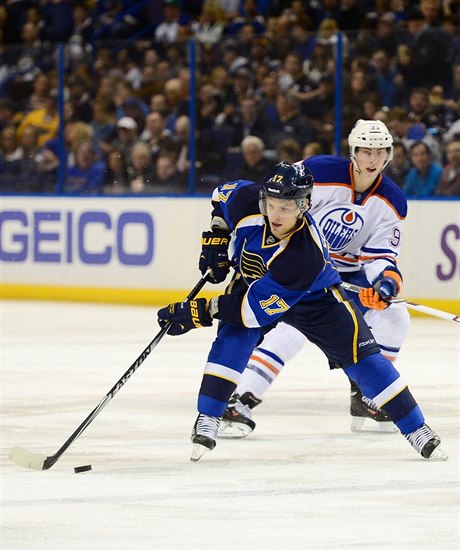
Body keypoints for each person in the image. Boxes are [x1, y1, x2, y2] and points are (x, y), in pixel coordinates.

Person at [156, 159, 446, 463]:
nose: (275, 214)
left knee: (363, 358)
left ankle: (417, 429)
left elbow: (251, 312)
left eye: (286, 207)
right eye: (271, 203)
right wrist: (217, 236)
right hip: (256, 284)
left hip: (316, 300)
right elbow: (222, 196)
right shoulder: (248, 199)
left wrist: (199, 312)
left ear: (305, 204)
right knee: (232, 338)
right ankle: (209, 416)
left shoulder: (305, 254)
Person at [214, 120, 411, 438]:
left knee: (396, 318)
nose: (372, 159)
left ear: (388, 154)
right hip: (294, 265)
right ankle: (239, 401)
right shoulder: (318, 171)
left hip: (344, 275)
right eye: (365, 151)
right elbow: (273, 199)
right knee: (292, 331)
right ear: (353, 152)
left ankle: (366, 397)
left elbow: (380, 257)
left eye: (379, 152)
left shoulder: (392, 200)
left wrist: (383, 284)